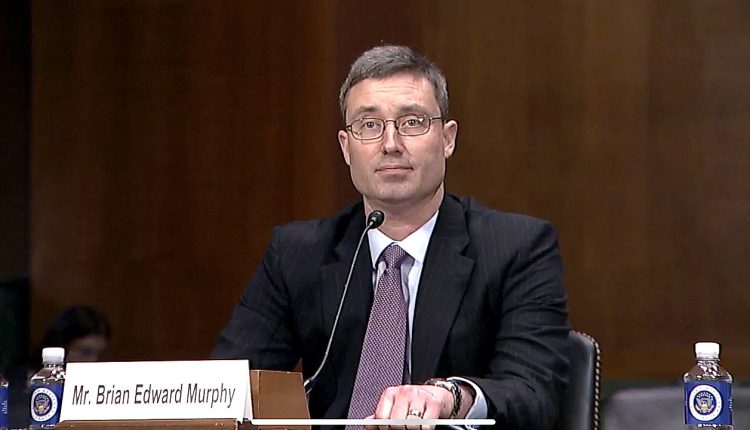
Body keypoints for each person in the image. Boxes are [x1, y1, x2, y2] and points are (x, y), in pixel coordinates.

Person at [213, 45, 570, 429]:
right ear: (346, 148)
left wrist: (450, 397)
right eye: (369, 125)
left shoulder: (516, 247)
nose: (390, 144)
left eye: (412, 122)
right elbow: (228, 391)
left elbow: (535, 392)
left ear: (448, 138)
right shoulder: (297, 253)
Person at [8, 305, 111, 428]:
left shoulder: (101, 391)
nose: (93, 362)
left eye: (99, 355)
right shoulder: (17, 384)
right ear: (60, 348)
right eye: (84, 352)